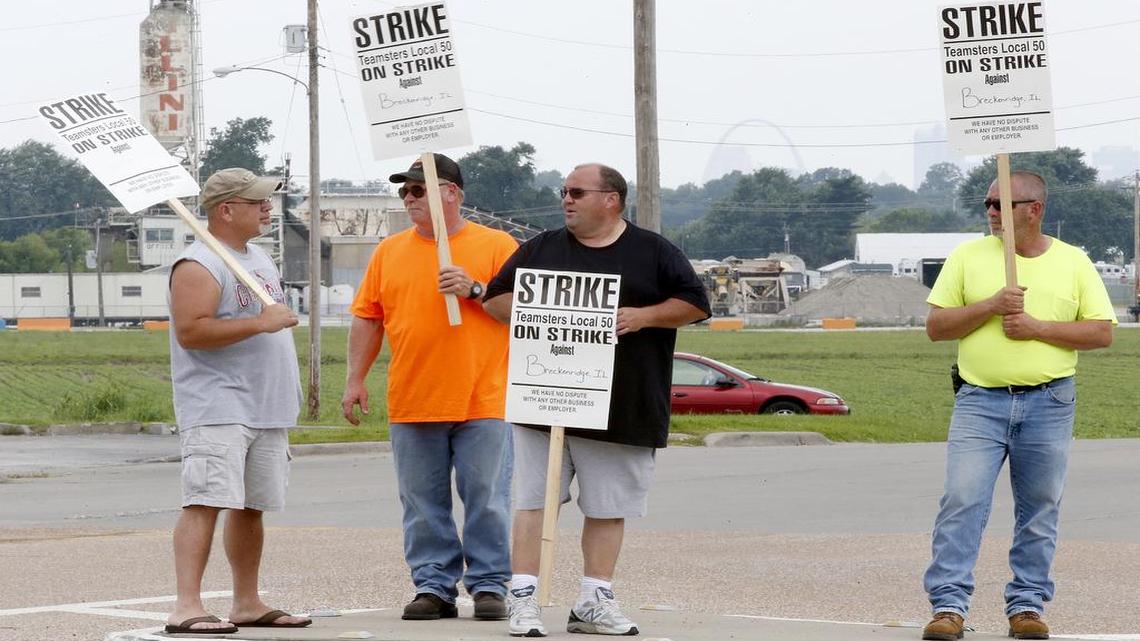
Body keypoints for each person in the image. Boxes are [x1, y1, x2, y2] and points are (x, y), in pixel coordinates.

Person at [483, 163, 711, 637]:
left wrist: (644, 317)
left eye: (576, 192)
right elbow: (495, 299)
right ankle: (523, 596)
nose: (565, 199)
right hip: (545, 398)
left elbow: (694, 303)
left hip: (623, 404)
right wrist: (543, 312)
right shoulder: (540, 248)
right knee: (533, 501)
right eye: (563, 191)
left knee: (608, 506)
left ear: (611, 199)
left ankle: (593, 599)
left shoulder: (653, 252)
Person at [920, 170, 1115, 641]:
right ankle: (949, 606)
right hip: (979, 399)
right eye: (987, 204)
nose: (990, 212)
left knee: (1040, 506)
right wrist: (990, 305)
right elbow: (937, 327)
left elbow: (1101, 331)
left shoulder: (1073, 262)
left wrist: (1037, 328)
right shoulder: (968, 258)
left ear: (1035, 209)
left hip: (1050, 400)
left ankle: (1027, 605)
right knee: (962, 499)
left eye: (1001, 204)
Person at [341, 153, 519, 622]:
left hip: (486, 396)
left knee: (487, 498)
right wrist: (354, 379)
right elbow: (367, 317)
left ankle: (488, 585)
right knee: (421, 503)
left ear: (452, 194)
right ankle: (434, 585)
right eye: (404, 190)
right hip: (414, 396)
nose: (408, 197)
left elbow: (527, 311)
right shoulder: (389, 251)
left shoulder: (497, 244)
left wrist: (476, 290)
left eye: (418, 189)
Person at [165, 168, 310, 634]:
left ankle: (246, 602)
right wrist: (259, 323)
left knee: (252, 507)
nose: (269, 207)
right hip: (219, 406)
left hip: (264, 407)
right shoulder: (198, 264)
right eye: (258, 201)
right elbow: (192, 331)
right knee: (205, 500)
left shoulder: (257, 258)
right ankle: (186, 605)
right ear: (227, 210)